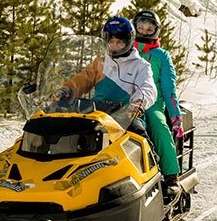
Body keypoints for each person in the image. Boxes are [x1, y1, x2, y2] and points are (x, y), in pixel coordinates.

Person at [57, 16, 157, 128]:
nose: (114, 46)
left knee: (139, 137)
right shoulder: (101, 62)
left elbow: (148, 87)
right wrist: (66, 91)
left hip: (125, 117)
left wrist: (137, 103)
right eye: (111, 42)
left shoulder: (140, 65)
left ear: (129, 41)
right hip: (96, 113)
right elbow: (81, 81)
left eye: (119, 42)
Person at [132, 10, 184, 191]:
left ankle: (171, 176)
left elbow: (169, 88)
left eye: (149, 29)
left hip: (153, 104)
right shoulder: (126, 50)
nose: (144, 32)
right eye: (140, 28)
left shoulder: (161, 55)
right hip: (126, 103)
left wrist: (175, 117)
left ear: (155, 31)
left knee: (158, 126)